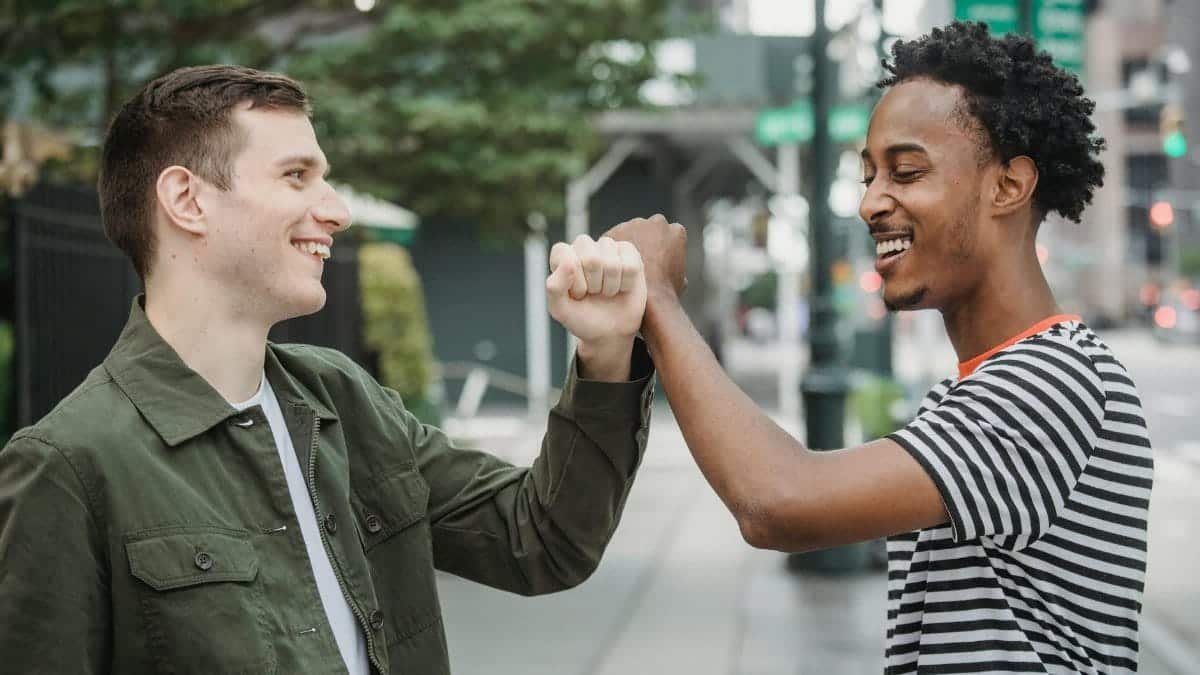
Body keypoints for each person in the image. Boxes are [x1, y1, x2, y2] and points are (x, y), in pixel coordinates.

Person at [0, 65, 655, 675]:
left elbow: (540, 538)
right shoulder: (69, 468)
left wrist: (605, 355)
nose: (336, 209)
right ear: (187, 200)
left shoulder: (341, 400)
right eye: (296, 176)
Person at [608, 22, 1152, 673]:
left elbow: (778, 501)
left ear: (1008, 186)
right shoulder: (984, 386)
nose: (870, 202)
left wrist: (661, 303)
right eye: (868, 175)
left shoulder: (1053, 378)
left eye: (907, 171)